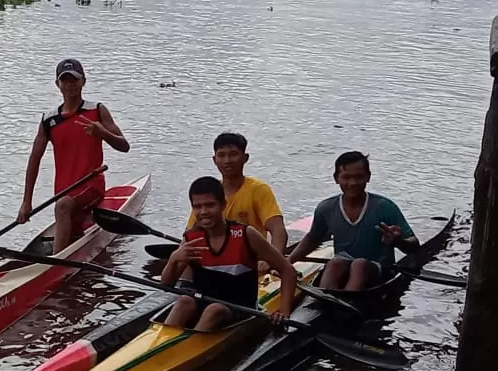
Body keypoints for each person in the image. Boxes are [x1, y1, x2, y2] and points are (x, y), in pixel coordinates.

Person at [17, 58, 130, 253]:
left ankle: (56, 263)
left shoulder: (97, 110)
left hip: (91, 186)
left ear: (83, 81)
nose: (69, 85)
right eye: (65, 80)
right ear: (57, 84)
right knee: (63, 205)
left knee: (62, 206)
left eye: (74, 80)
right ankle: (67, 239)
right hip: (64, 192)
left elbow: (124, 146)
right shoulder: (49, 120)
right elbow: (34, 160)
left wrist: (103, 133)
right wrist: (26, 202)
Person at [162, 176, 296, 331]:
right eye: (197, 207)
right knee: (184, 301)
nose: (203, 212)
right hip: (204, 300)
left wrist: (284, 312)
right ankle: (163, 342)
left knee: (214, 310)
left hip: (240, 307)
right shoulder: (191, 238)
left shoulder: (246, 234)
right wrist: (173, 260)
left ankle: (191, 348)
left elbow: (287, 271)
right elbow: (166, 285)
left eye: (210, 205)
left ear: (223, 205)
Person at [288, 151, 418, 291]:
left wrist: (397, 241)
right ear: (336, 178)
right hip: (342, 265)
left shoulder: (385, 207)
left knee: (359, 264)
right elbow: (313, 238)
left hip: (378, 269)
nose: (352, 183)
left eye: (359, 177)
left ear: (368, 177)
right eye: (346, 177)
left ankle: (348, 299)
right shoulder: (326, 208)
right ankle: (326, 296)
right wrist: (286, 263)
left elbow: (415, 245)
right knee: (335, 263)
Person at [186, 132, 288, 275]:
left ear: (245, 158)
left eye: (233, 154)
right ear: (214, 160)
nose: (227, 160)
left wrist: (274, 260)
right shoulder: (209, 194)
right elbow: (191, 232)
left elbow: (278, 230)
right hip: (215, 264)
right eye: (221, 155)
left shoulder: (258, 190)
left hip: (251, 265)